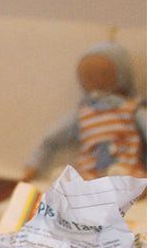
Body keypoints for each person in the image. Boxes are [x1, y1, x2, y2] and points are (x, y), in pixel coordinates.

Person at [23, 42, 147, 182]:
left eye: (103, 74)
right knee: (76, 178)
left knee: (132, 177)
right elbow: (51, 140)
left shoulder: (131, 109)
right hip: (91, 171)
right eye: (87, 76)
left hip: (126, 166)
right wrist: (33, 166)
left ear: (122, 75)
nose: (95, 80)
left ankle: (124, 181)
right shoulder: (82, 114)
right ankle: (71, 182)